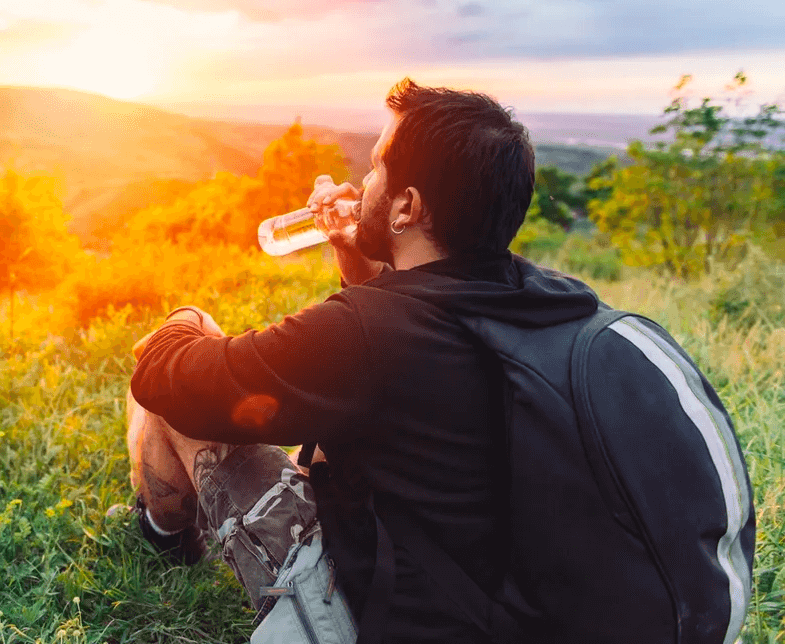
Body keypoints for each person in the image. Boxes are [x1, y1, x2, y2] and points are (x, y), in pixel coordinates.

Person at [123, 79, 749, 643]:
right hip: (512, 602)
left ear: (406, 207)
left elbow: (166, 378)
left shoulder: (370, 334)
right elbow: (386, 358)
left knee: (181, 360)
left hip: (396, 619)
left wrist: (179, 322)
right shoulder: (541, 298)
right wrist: (356, 257)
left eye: (374, 171)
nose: (357, 186)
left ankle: (162, 531)